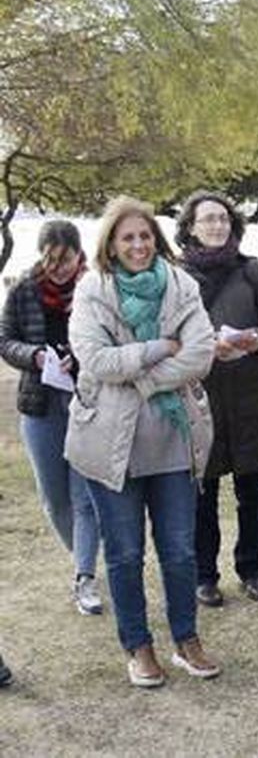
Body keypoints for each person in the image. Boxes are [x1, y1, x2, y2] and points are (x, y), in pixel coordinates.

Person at [65, 195, 219, 688]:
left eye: (145, 236)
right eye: (127, 237)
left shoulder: (182, 285)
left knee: (179, 551)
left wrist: (144, 376)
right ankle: (138, 645)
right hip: (111, 446)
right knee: (125, 553)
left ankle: (186, 639)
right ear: (110, 243)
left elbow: (200, 355)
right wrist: (157, 349)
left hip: (174, 441)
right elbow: (96, 362)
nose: (137, 245)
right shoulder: (92, 290)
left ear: (158, 239)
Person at [174, 191, 258, 608]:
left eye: (223, 219)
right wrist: (201, 349)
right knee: (202, 492)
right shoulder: (176, 274)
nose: (217, 226)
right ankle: (205, 575)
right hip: (199, 395)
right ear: (190, 227)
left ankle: (251, 568)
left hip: (249, 393)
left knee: (253, 486)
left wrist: (257, 338)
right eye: (208, 220)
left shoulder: (251, 270)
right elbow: (169, 331)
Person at [0, 220, 103, 615]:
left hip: (86, 402)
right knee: (54, 497)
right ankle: (85, 557)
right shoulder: (24, 289)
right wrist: (35, 356)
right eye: (52, 260)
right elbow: (5, 340)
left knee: (84, 498)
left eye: (67, 259)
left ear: (80, 255)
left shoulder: (94, 287)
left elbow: (111, 337)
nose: (59, 268)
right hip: (39, 404)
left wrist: (82, 354)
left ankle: (85, 577)